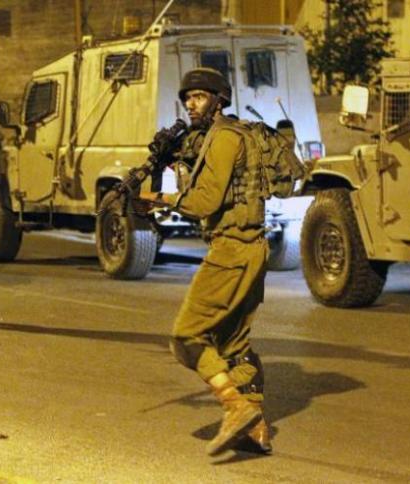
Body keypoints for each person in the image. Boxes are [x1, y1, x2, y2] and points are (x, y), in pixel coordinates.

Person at [140, 68, 271, 456]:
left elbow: (204, 202)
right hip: (250, 247)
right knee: (234, 345)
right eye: (187, 98)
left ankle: (235, 406)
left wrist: (157, 199)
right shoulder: (228, 135)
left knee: (186, 337)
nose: (190, 104)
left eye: (198, 97)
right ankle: (256, 431)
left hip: (232, 249)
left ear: (219, 100)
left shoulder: (225, 138)